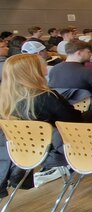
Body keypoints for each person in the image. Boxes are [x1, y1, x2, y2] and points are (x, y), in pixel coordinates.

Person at [0, 54, 86, 192]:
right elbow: (74, 122)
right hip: (55, 148)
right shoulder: (46, 96)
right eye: (42, 64)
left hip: (20, 149)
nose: (46, 65)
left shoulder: (6, 99)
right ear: (32, 71)